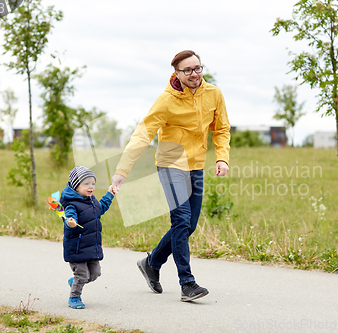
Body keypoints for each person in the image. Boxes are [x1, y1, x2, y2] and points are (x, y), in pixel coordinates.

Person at [111, 50, 230, 302]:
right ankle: (187, 283)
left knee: (189, 225)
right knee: (182, 219)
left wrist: (222, 157)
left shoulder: (214, 94)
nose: (195, 74)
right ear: (176, 73)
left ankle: (151, 263)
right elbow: (143, 133)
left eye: (197, 68)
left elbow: (221, 129)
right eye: (188, 70)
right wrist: (122, 171)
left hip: (195, 165)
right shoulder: (166, 100)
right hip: (171, 163)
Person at [60, 166, 115, 309]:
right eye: (86, 184)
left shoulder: (90, 200)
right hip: (77, 248)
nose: (91, 187)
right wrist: (71, 222)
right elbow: (69, 217)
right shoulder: (71, 203)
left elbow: (100, 208)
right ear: (76, 186)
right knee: (82, 275)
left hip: (91, 247)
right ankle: (74, 297)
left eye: (93, 184)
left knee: (95, 273)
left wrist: (110, 194)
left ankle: (75, 281)